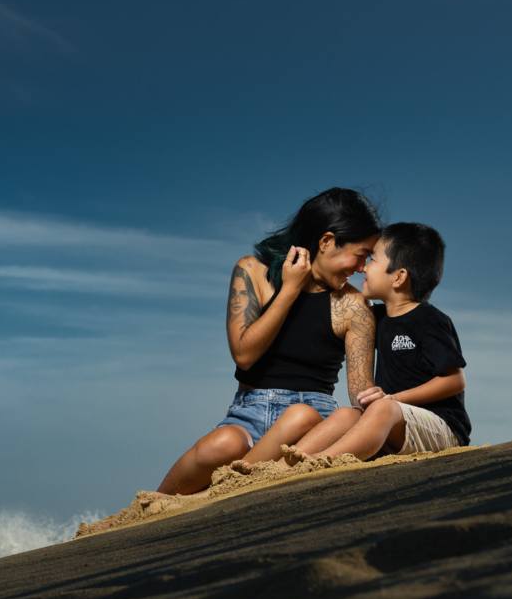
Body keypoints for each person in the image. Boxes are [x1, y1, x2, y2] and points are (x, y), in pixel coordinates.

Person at [155, 187, 381, 495]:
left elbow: (360, 394)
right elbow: (244, 355)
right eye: (360, 255)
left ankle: (226, 491)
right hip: (248, 412)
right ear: (327, 242)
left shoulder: (354, 306)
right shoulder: (253, 272)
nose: (362, 268)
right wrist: (290, 289)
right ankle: (145, 512)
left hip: (314, 421)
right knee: (222, 444)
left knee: (304, 416)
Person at [256, 222, 470, 463]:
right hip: (394, 427)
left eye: (373, 260)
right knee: (348, 414)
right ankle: (288, 464)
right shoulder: (375, 318)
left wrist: (394, 398)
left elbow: (454, 380)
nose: (364, 268)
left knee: (381, 408)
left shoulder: (429, 319)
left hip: (441, 428)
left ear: (398, 277)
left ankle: (322, 460)